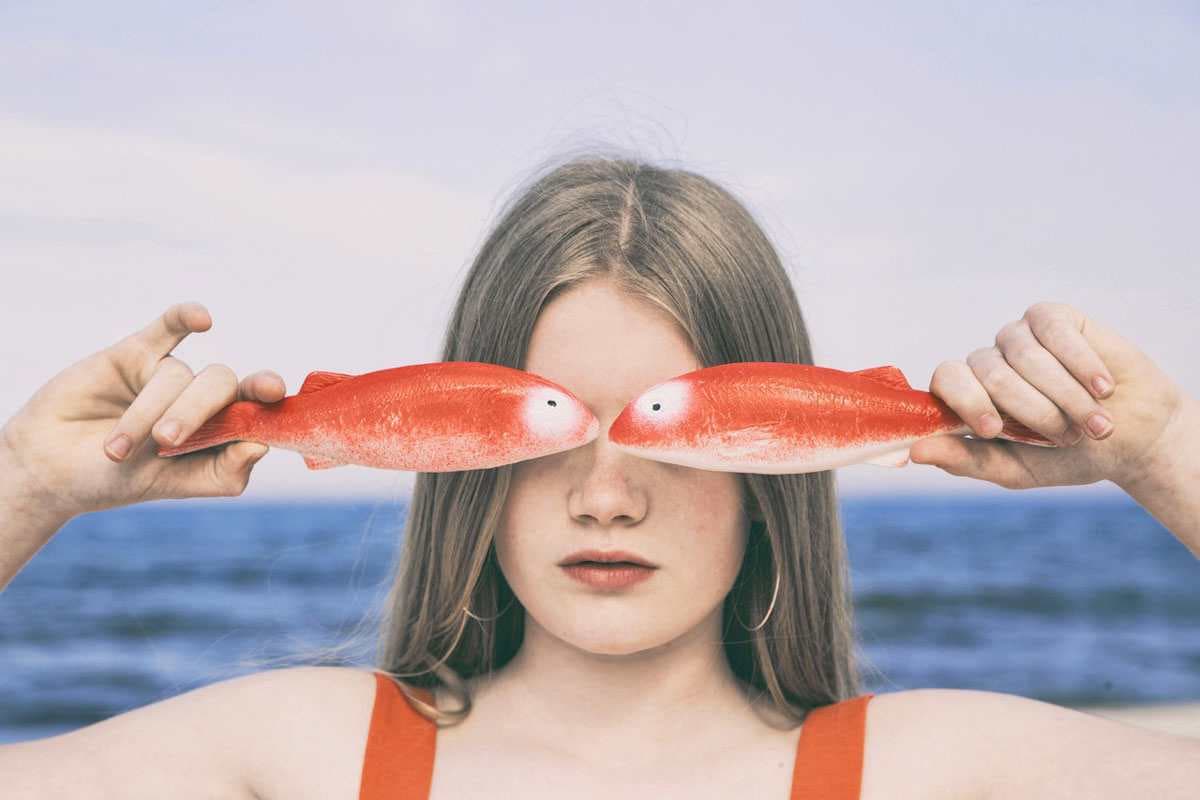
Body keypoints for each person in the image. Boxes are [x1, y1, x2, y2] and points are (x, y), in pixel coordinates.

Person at [2, 152, 1198, 798]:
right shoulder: (298, 756)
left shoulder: (930, 773)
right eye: (545, 434)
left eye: (672, 432)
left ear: (778, 464)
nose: (606, 494)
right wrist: (27, 481)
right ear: (460, 464)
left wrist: (1160, 451)